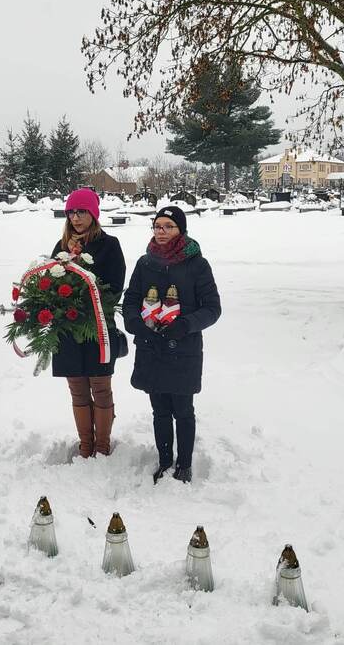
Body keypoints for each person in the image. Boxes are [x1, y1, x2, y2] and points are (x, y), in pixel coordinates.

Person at [122, 206, 221, 483]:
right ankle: (165, 460)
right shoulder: (145, 263)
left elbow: (213, 308)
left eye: (168, 226)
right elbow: (131, 300)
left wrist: (186, 325)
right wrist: (135, 323)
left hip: (183, 349)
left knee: (183, 410)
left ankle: (184, 463)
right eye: (157, 226)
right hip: (151, 346)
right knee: (160, 410)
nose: (161, 232)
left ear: (181, 230)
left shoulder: (197, 264)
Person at [50, 188, 126, 458]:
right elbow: (50, 284)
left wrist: (87, 301)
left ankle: (102, 444)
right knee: (77, 388)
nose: (75, 217)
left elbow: (115, 287)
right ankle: (85, 443)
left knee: (101, 387)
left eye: (81, 211)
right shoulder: (61, 248)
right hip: (69, 330)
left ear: (93, 214)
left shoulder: (109, 245)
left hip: (97, 328)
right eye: (71, 212)